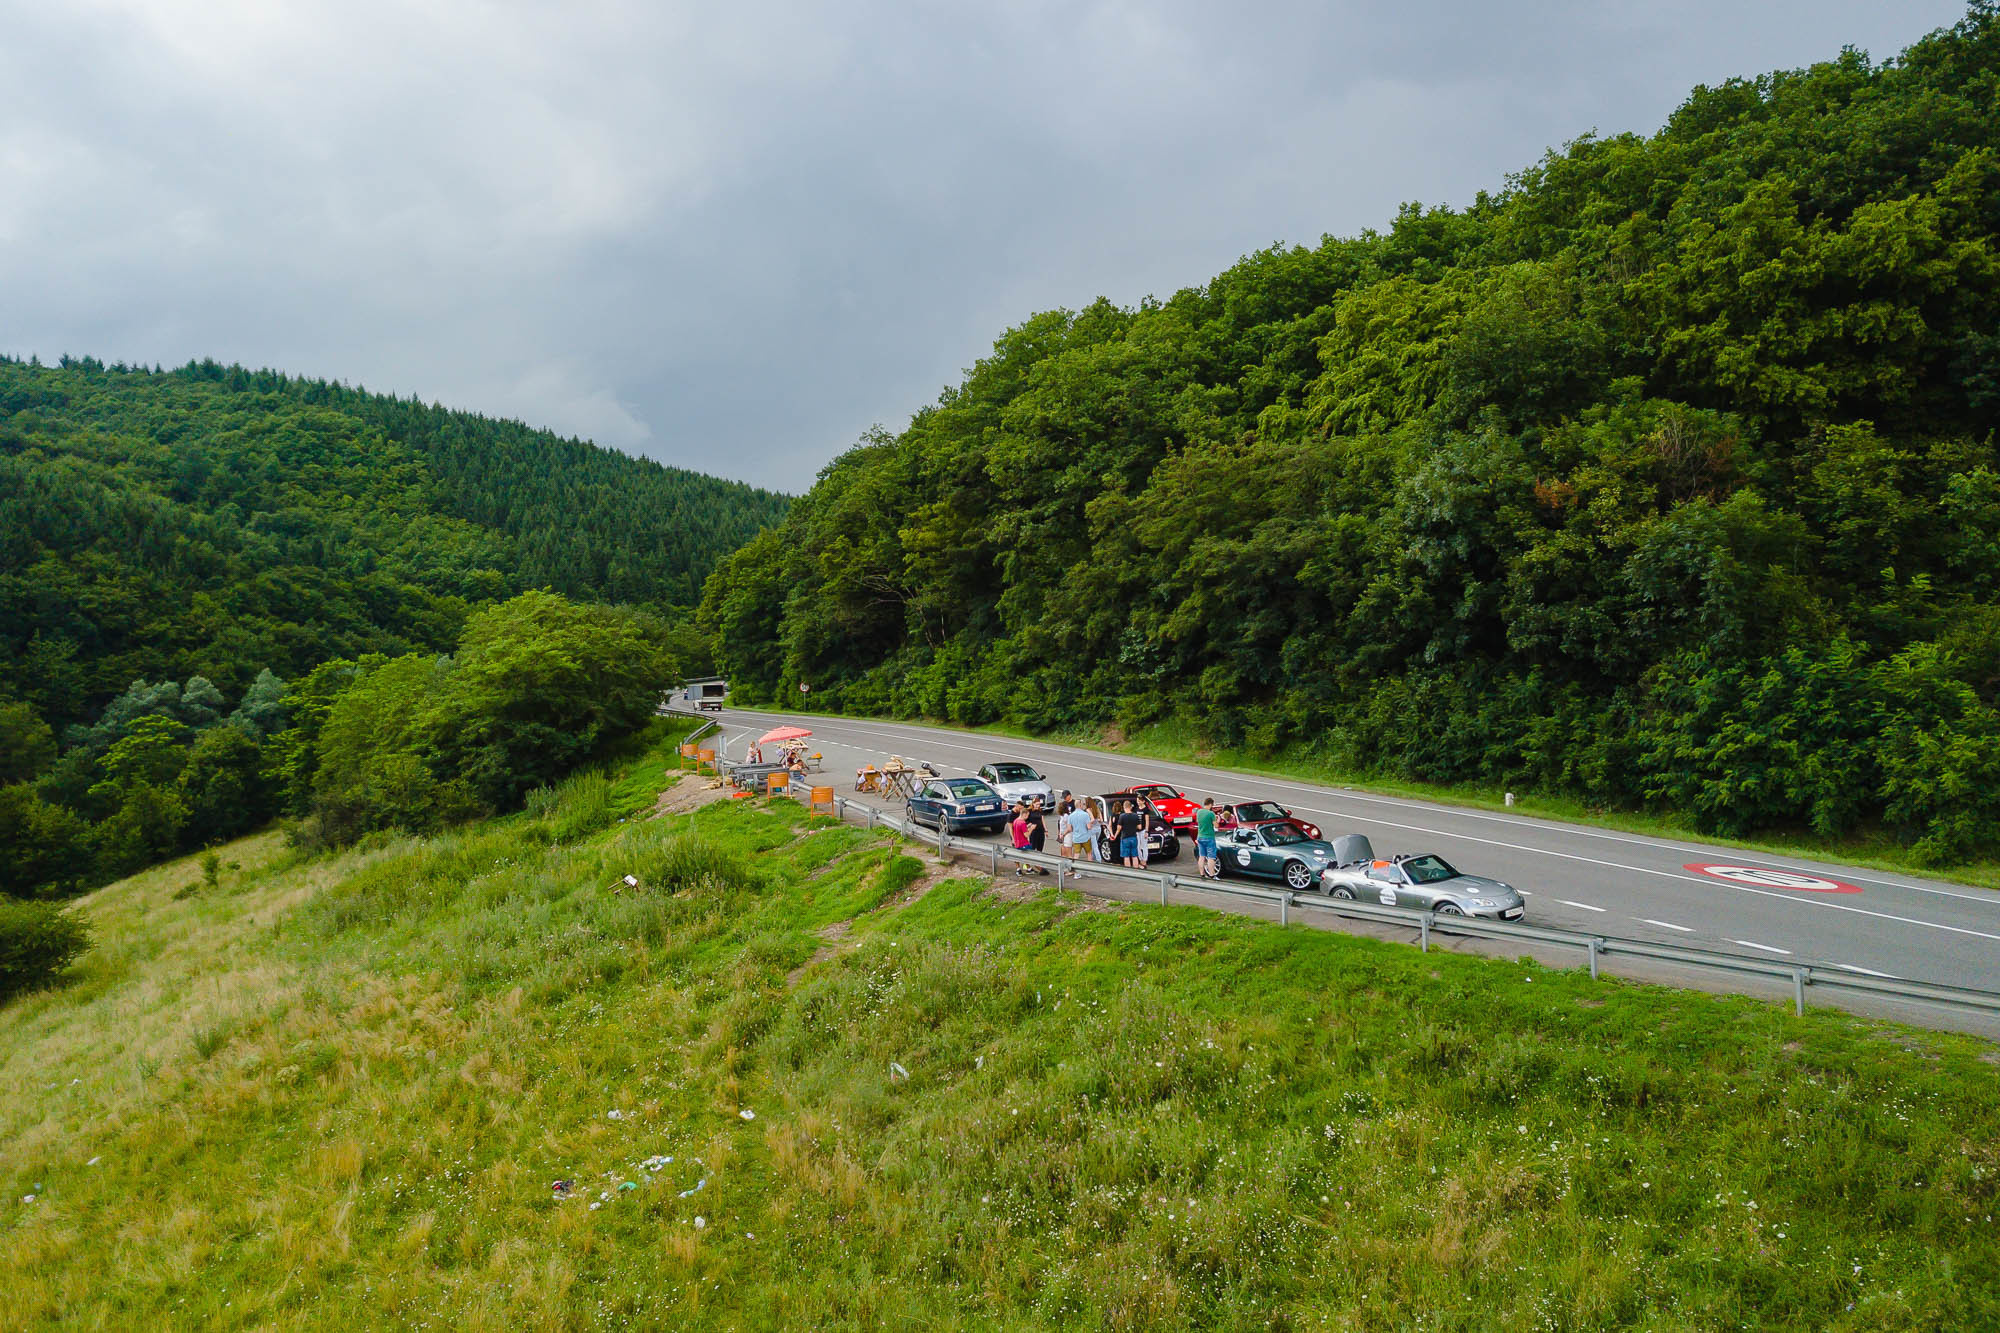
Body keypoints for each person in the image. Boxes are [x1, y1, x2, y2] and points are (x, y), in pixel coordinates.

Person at [1195, 796, 1220, 879]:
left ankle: (1202, 874)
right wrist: (1218, 820)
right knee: (1211, 857)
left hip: (1200, 836)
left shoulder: (1199, 812)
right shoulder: (1211, 813)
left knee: (1202, 856)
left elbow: (1198, 822)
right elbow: (1216, 825)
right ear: (1210, 804)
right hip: (1209, 837)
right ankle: (1212, 875)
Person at [1115, 800, 1144, 868]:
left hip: (1125, 838)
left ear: (1124, 807)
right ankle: (1136, 869)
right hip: (1134, 837)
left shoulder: (1122, 816)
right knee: (1134, 855)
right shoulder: (1135, 815)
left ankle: (1128, 871)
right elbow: (1140, 827)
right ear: (1131, 807)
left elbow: (1119, 828)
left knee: (1126, 856)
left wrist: (1115, 836)